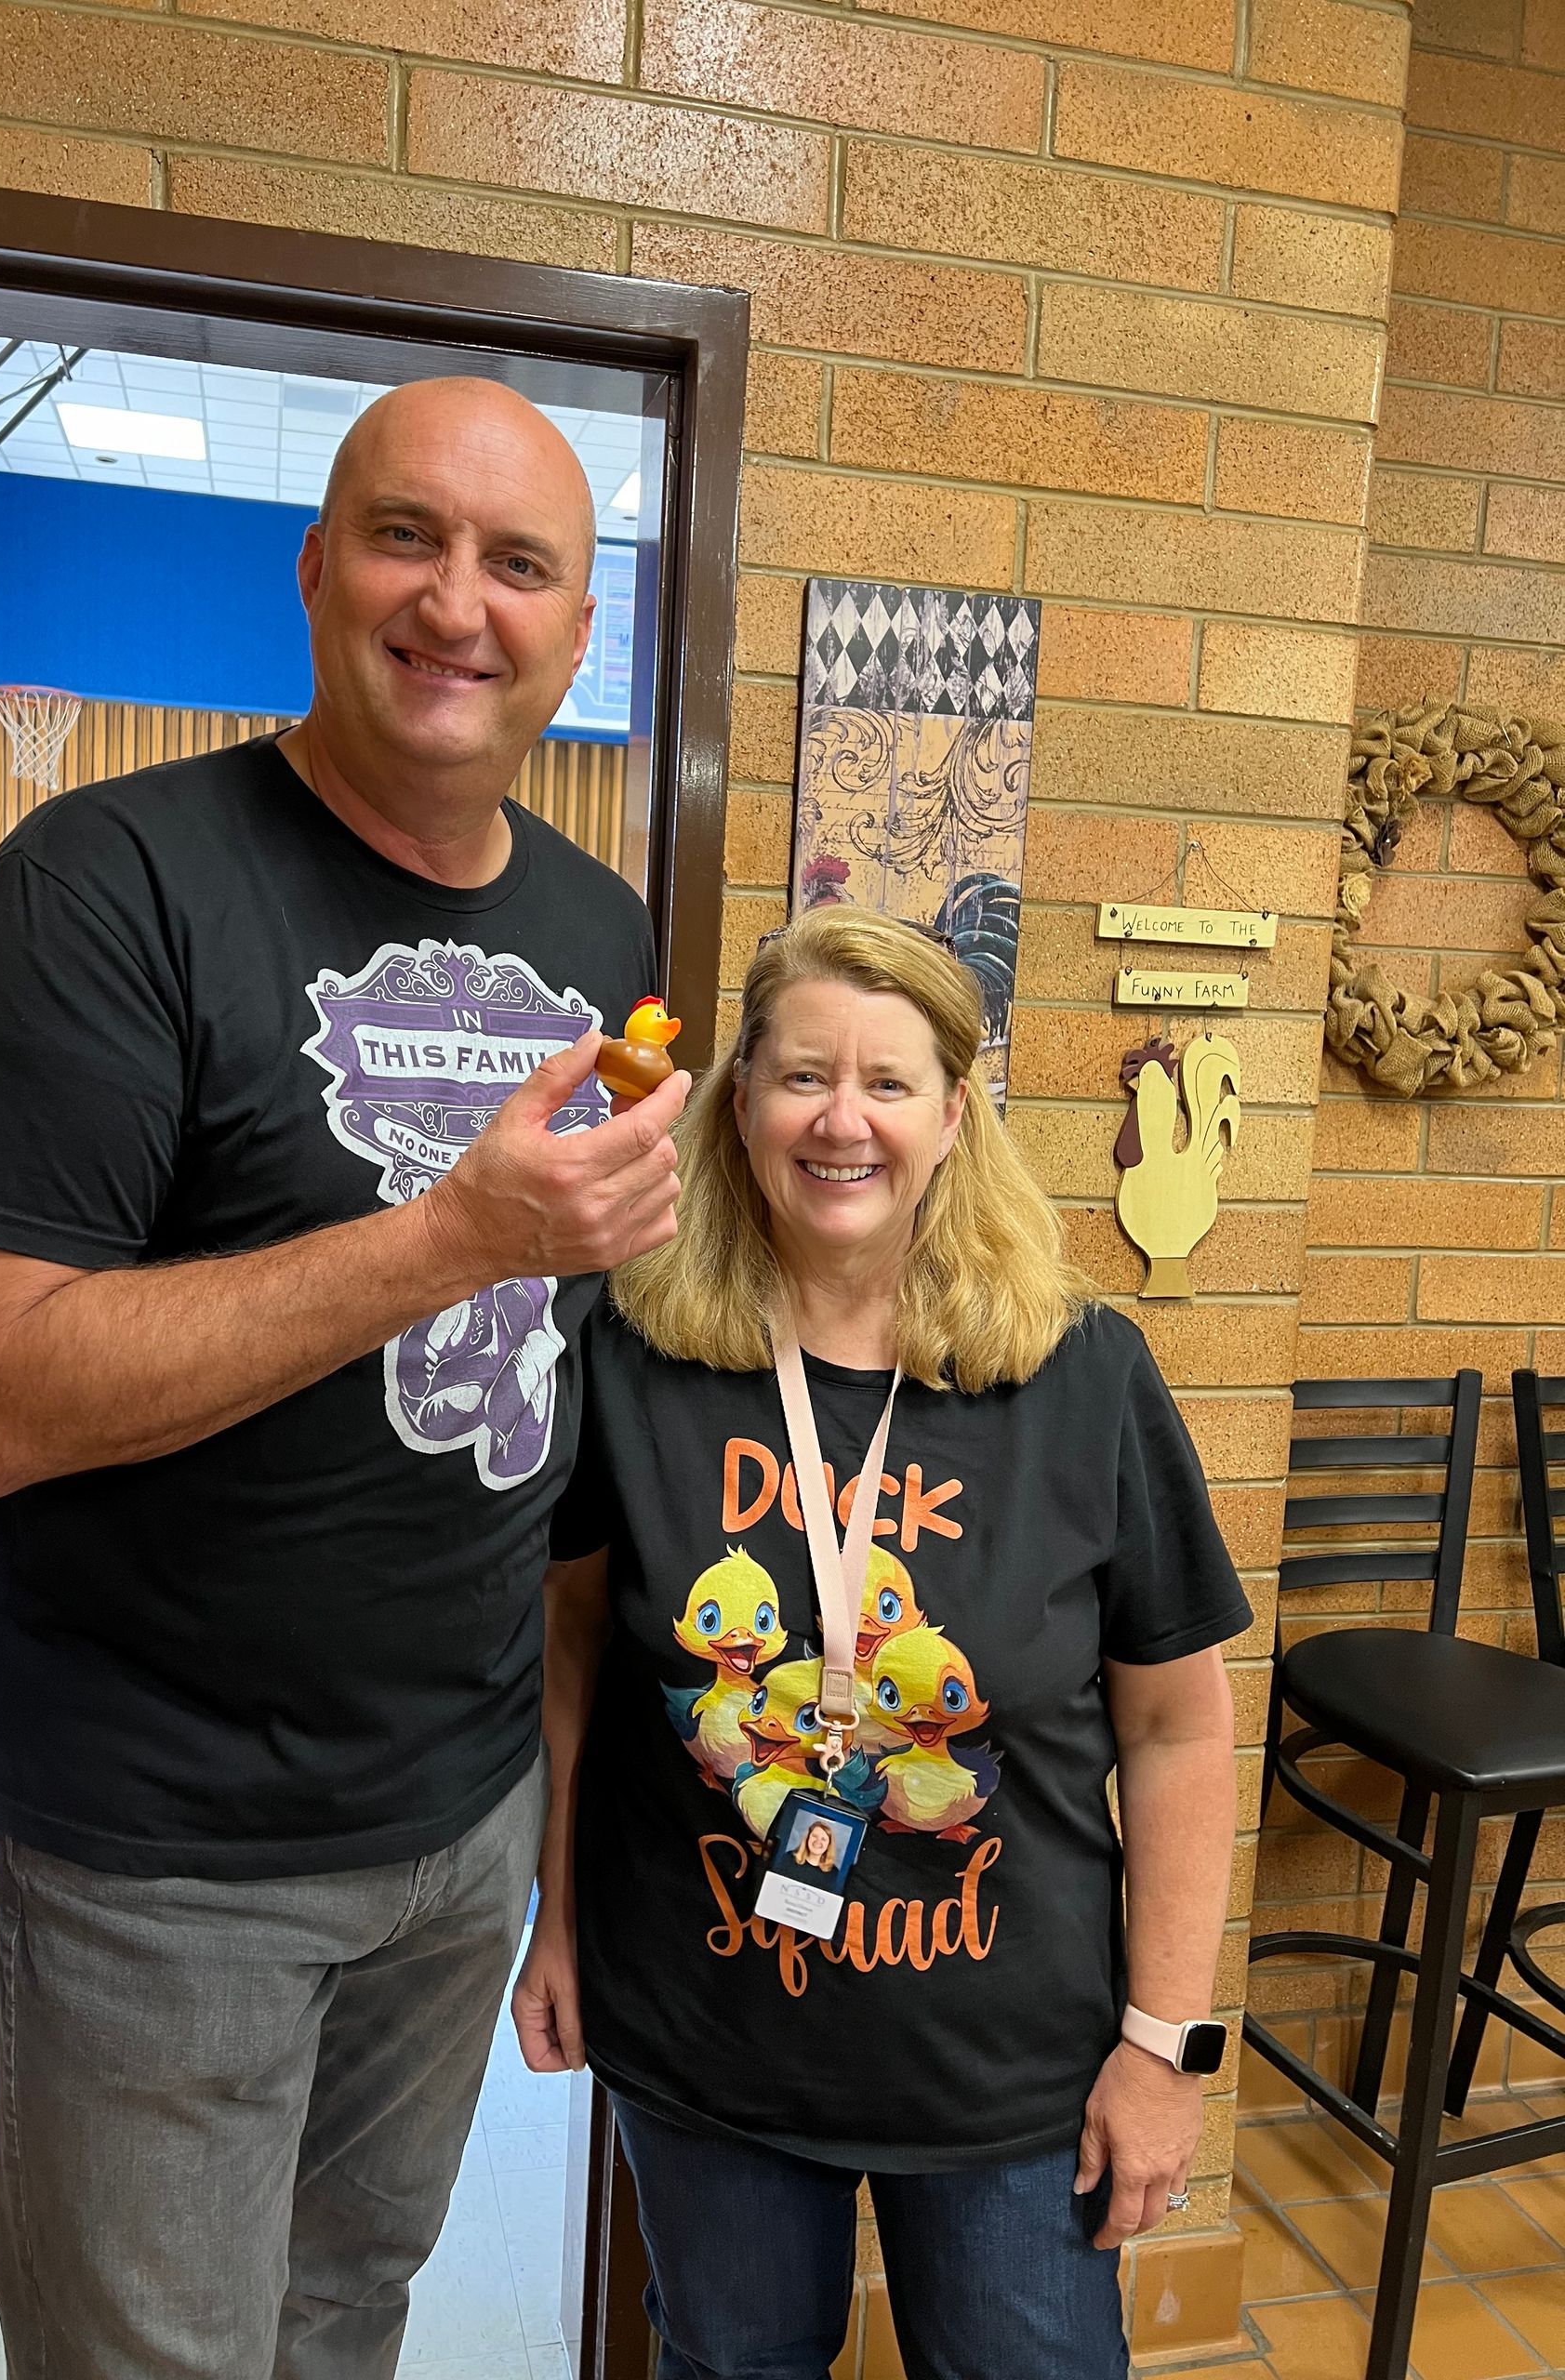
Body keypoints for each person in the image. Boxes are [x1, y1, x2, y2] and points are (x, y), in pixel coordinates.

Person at [0, 377, 688, 2380]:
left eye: (523, 564)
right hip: (165, 1851)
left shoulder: (604, 931)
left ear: (580, 633)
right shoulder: (102, 884)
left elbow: (576, 1367)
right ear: (315, 564)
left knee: (343, 2320)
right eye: (409, 537)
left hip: (461, 1808)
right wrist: (456, 1234)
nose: (459, 602)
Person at [514, 906, 1250, 2380]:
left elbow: (1180, 1729)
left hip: (1009, 2079)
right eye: (799, 1076)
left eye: (890, 1082)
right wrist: (560, 1917)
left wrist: (1164, 2042)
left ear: (954, 1114)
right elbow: (574, 1653)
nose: (840, 1120)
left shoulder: (1080, 1370)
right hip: (707, 2039)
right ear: (740, 1103)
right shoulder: (635, 1349)